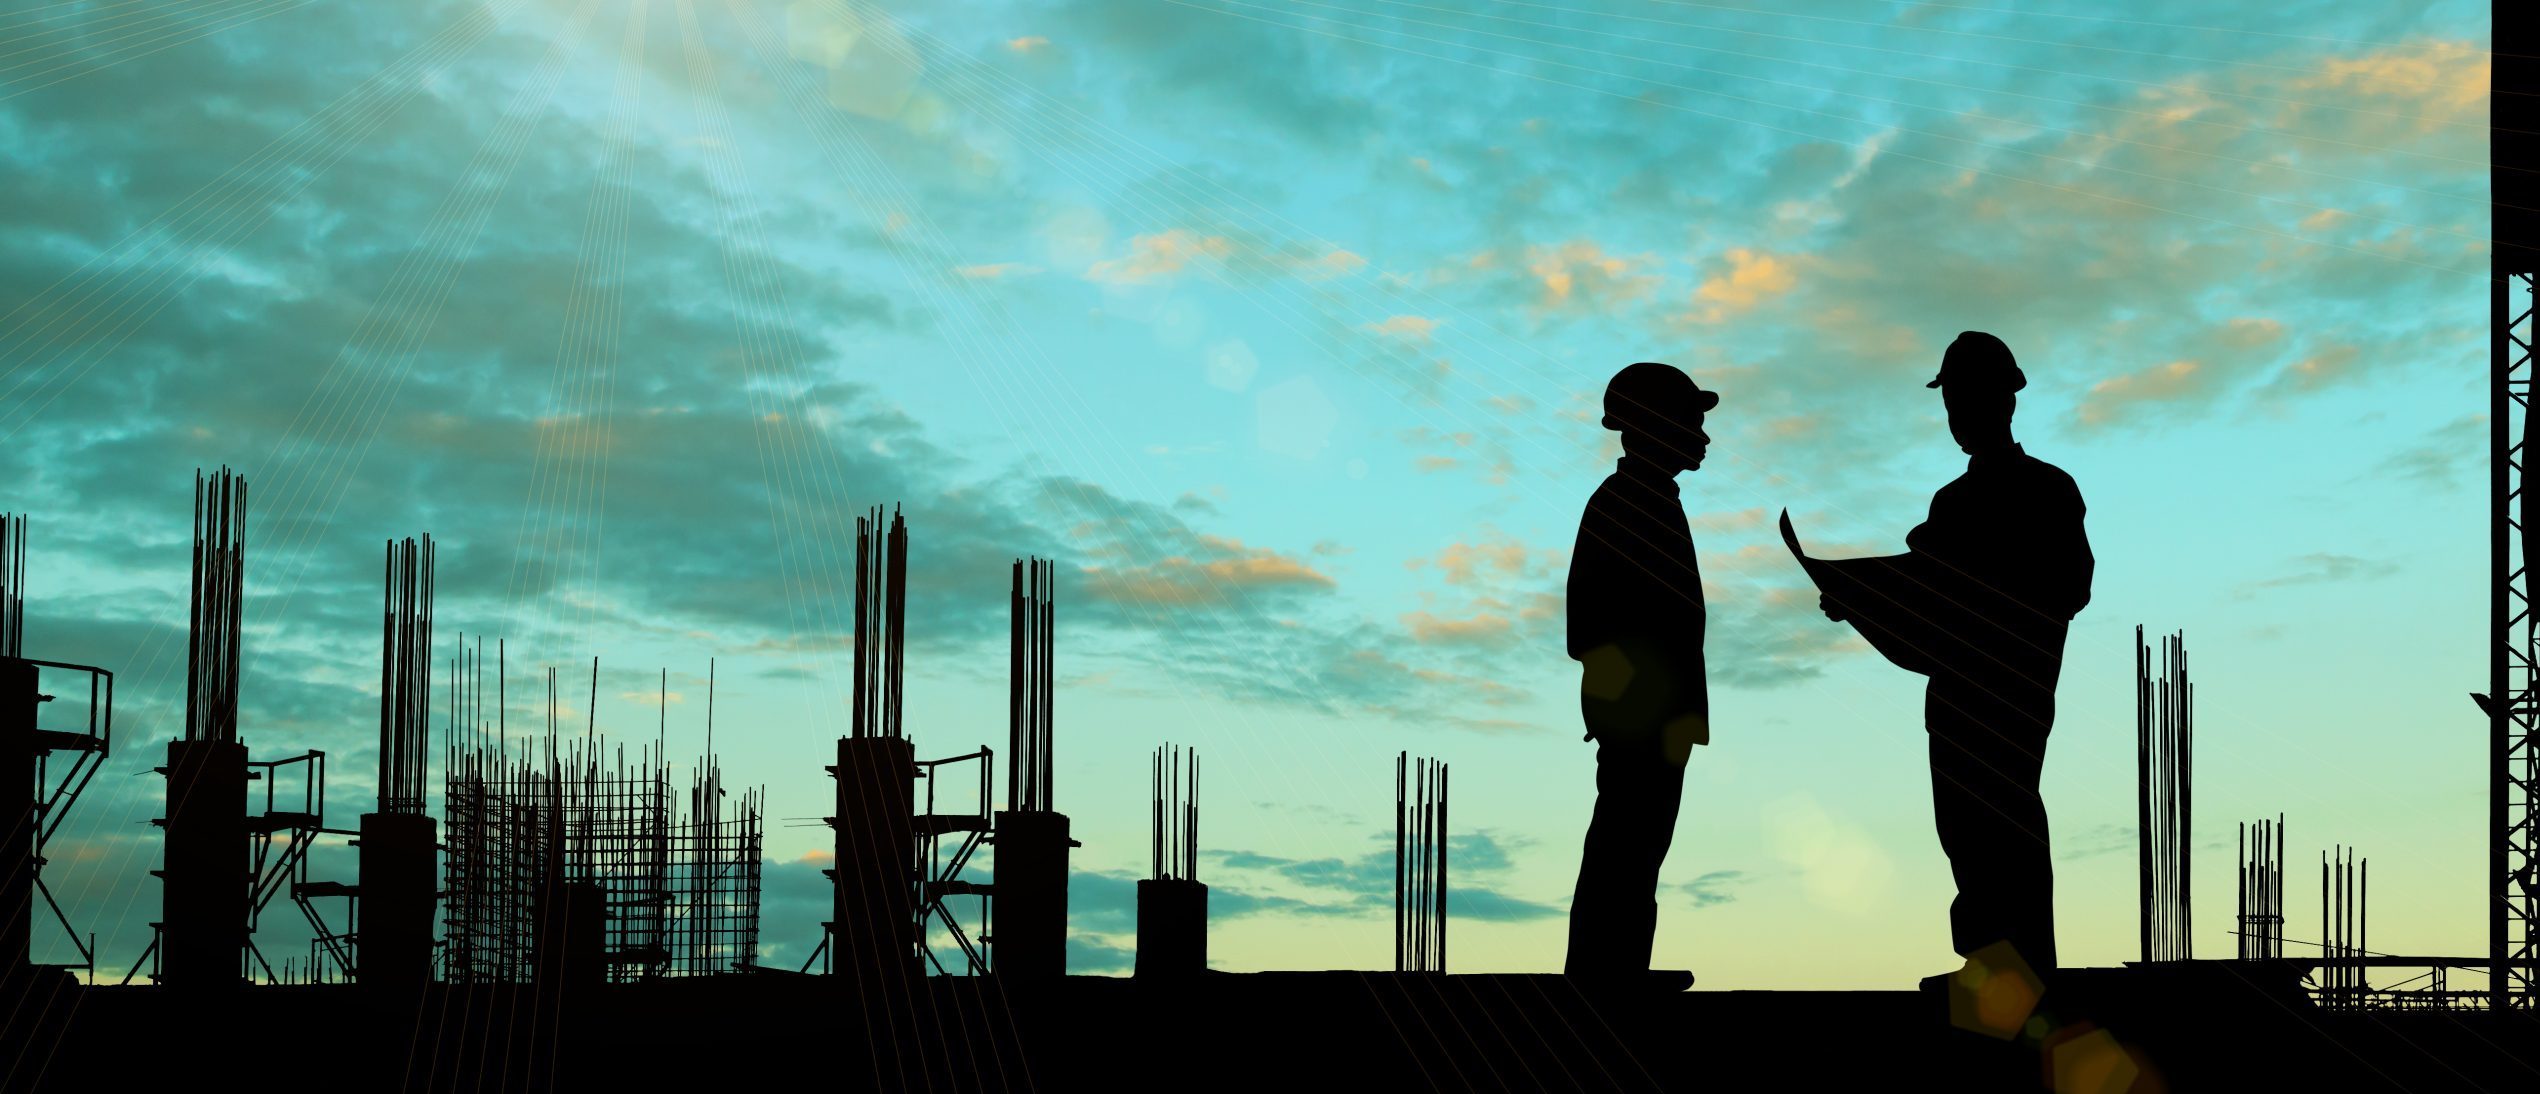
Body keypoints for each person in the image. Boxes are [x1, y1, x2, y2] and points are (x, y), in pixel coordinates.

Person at [1811, 331, 2093, 988]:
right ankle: (1990, 963)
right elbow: (1923, 600)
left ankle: (2022, 968)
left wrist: (1985, 592)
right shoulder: (1953, 503)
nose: (1958, 416)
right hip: (1956, 690)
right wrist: (1862, 600)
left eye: (1969, 399)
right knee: (1964, 824)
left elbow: (2068, 586)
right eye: (1952, 403)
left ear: (2005, 400)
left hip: (2012, 684)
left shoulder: (2047, 490)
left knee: (2004, 816)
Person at [1564, 361, 1715, 993]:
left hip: (1655, 711)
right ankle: (1605, 976)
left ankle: (1617, 968)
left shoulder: (1645, 501)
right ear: (1653, 427)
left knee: (1637, 841)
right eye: (1690, 421)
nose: (1702, 436)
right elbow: (1588, 622)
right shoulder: (1625, 504)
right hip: (1640, 711)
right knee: (1626, 839)